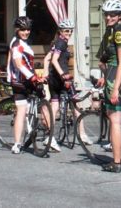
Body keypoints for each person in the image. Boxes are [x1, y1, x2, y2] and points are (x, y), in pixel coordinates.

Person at [96, 0, 121, 173]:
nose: (108, 17)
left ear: (119, 16)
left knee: (114, 120)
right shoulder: (118, 30)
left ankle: (116, 162)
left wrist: (115, 88)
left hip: (116, 76)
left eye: (112, 14)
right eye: (106, 14)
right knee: (116, 118)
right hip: (115, 75)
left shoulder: (119, 31)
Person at [6, 16, 45, 154]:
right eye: (23, 30)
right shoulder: (16, 44)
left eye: (28, 29)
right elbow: (18, 64)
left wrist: (37, 75)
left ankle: (40, 132)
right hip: (19, 81)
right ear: (17, 30)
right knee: (21, 110)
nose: (26, 32)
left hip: (28, 79)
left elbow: (27, 63)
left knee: (42, 97)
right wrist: (32, 76)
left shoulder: (24, 43)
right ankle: (17, 144)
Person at [44, 19, 76, 152]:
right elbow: (54, 60)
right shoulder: (61, 43)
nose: (68, 33)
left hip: (53, 78)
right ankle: (82, 134)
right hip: (61, 79)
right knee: (75, 101)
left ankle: (49, 136)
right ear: (60, 31)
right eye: (66, 30)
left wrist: (46, 73)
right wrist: (63, 74)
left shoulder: (57, 43)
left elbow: (47, 59)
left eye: (70, 31)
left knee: (55, 105)